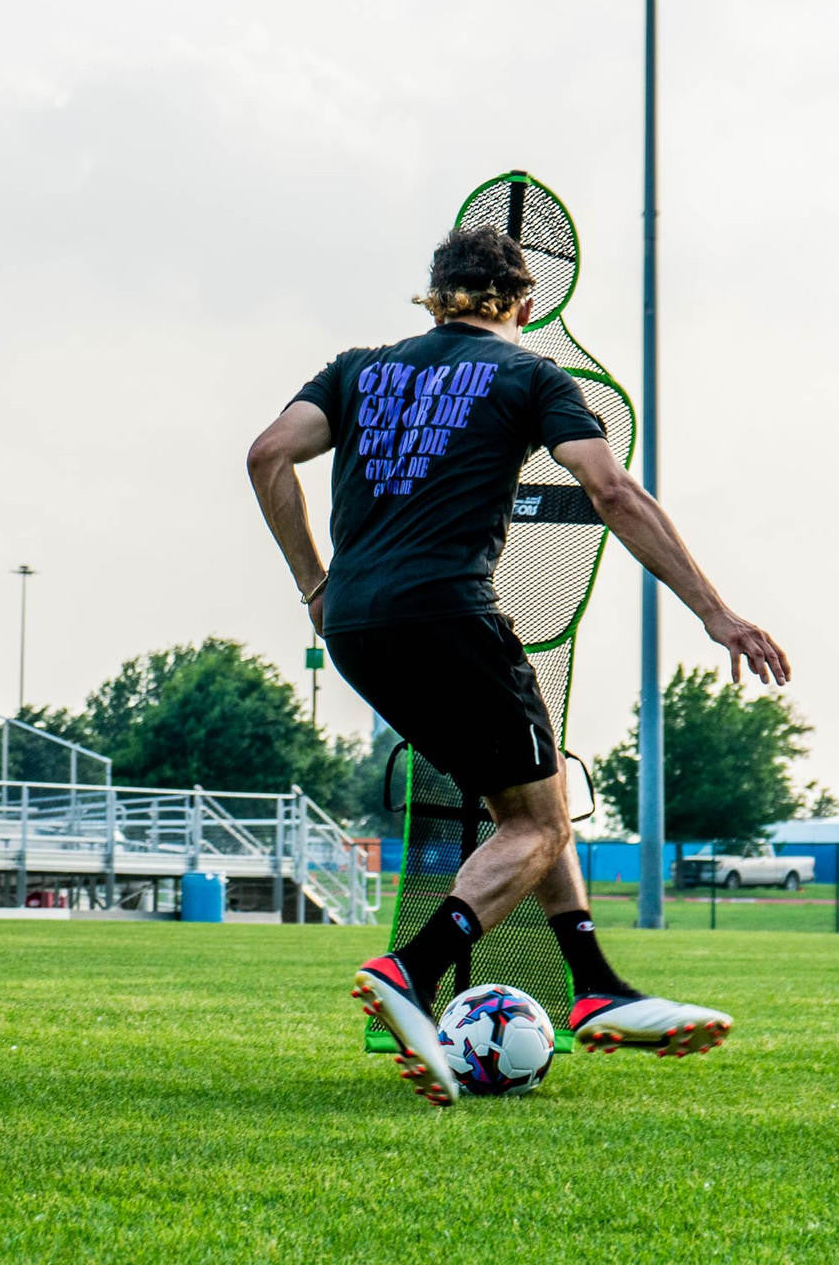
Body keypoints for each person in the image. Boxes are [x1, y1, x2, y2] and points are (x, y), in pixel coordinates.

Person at [248, 226, 790, 1107]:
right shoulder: (533, 375)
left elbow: (268, 454)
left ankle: (596, 988)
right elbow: (612, 493)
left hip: (356, 625)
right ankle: (409, 972)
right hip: (451, 615)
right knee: (535, 826)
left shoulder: (355, 368)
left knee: (532, 806)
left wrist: (315, 581)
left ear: (433, 297)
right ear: (526, 305)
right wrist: (716, 612)